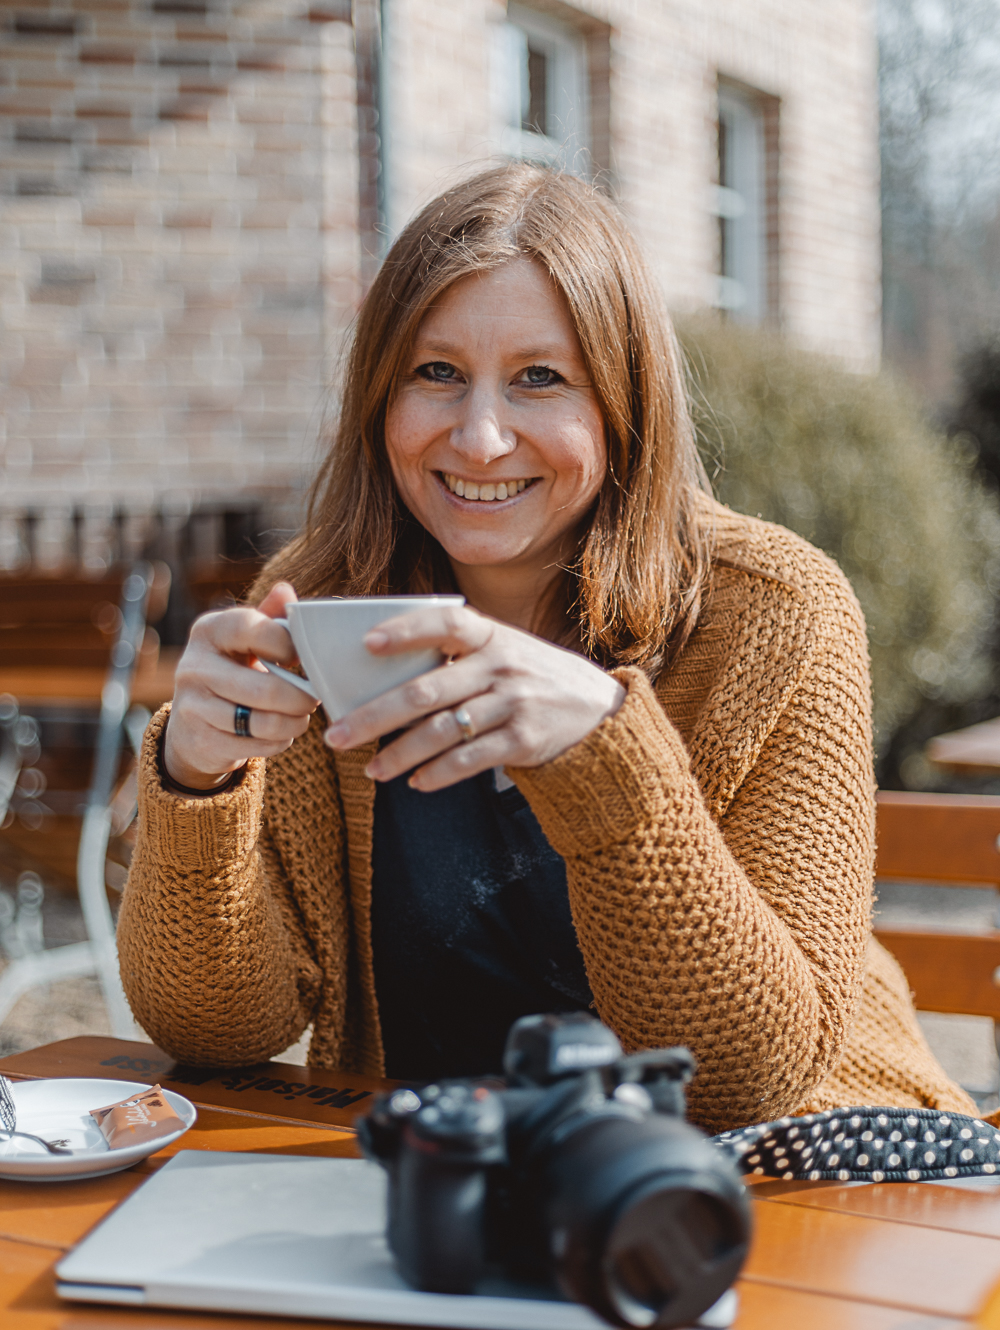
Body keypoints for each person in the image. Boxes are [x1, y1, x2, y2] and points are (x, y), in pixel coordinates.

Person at [118, 164, 972, 1134]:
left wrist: (605, 756)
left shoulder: (775, 614)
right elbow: (217, 1030)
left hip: (775, 1186)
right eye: (435, 373)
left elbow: (742, 1079)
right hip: (452, 1181)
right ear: (378, 399)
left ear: (622, 405)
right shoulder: (328, 609)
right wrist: (196, 779)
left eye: (540, 379)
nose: (479, 438)